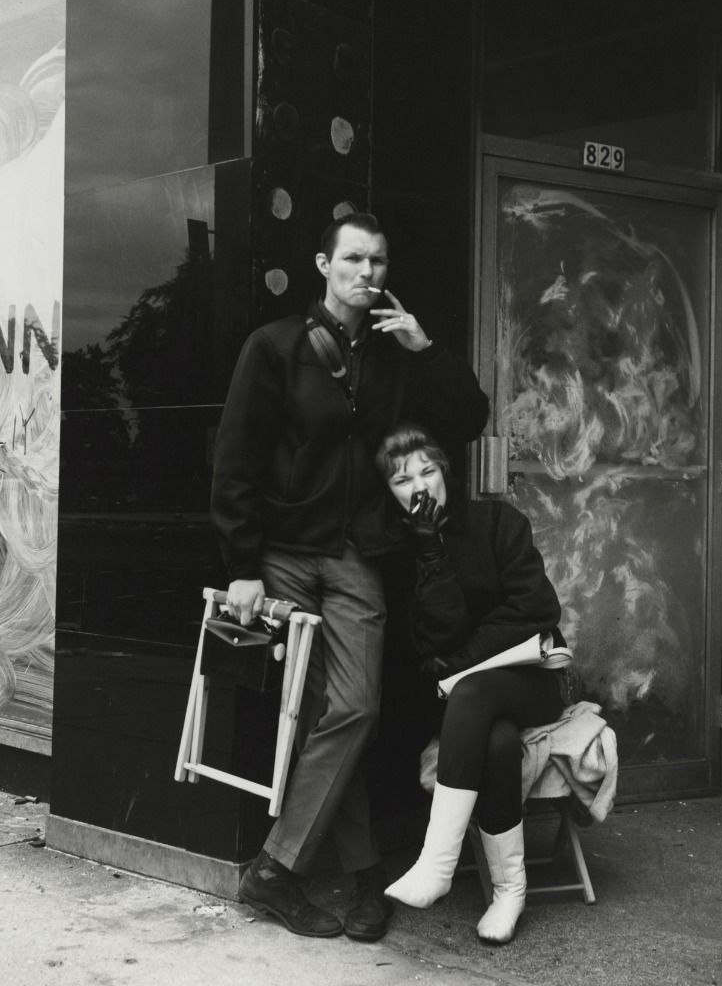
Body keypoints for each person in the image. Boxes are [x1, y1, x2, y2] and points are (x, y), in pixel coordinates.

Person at [211, 213, 488, 942]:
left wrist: (427, 350)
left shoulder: (396, 355)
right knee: (324, 715)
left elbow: (469, 418)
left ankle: (275, 868)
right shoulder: (275, 346)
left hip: (356, 557)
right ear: (323, 265)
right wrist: (241, 567)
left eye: (378, 262)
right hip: (282, 556)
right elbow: (235, 457)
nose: (367, 273)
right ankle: (364, 878)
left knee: (353, 709)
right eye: (353, 259)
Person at [374, 422, 568, 944]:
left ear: (445, 473)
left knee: (472, 689)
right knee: (497, 741)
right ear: (390, 494)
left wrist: (464, 659)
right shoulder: (405, 555)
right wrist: (431, 554)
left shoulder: (499, 522)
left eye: (427, 472)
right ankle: (509, 891)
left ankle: (437, 864)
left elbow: (535, 609)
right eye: (402, 481)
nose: (419, 487)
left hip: (533, 680)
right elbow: (434, 639)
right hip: (469, 706)